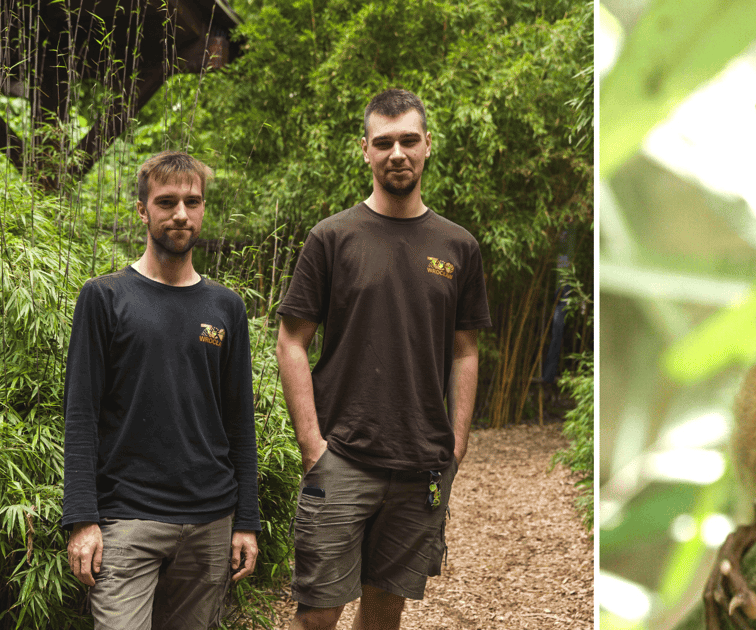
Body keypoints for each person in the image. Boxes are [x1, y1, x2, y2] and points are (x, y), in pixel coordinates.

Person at [276, 88, 491, 630]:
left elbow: (466, 351)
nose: (398, 153)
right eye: (385, 142)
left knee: (383, 611)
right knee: (318, 613)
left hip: (421, 461)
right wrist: (312, 446)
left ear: (428, 146)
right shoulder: (332, 238)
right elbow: (291, 341)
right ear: (365, 150)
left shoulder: (458, 245)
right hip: (343, 454)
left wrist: (457, 443)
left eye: (409, 141)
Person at [61, 151, 260, 629]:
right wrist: (81, 519)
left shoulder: (225, 306)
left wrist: (247, 521)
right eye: (166, 201)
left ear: (203, 208)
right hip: (128, 520)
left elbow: (239, 421)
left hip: (211, 521)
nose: (180, 214)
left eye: (192, 202)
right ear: (142, 210)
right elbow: (81, 413)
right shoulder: (105, 297)